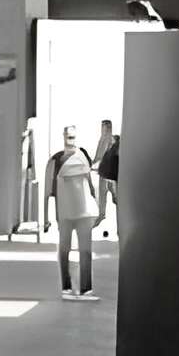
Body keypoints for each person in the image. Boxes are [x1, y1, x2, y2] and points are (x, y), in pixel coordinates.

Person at [42, 123, 100, 299]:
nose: (70, 139)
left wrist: (97, 208)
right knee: (64, 250)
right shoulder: (56, 161)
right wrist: (46, 218)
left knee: (85, 251)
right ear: (63, 136)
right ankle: (66, 286)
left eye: (72, 135)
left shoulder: (82, 157)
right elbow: (47, 191)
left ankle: (85, 288)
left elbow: (90, 186)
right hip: (65, 213)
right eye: (68, 135)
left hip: (83, 213)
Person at [95, 121, 120, 237]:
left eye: (105, 127)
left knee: (104, 198)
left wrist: (92, 163)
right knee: (116, 201)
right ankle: (119, 227)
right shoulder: (113, 140)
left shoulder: (105, 140)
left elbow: (99, 156)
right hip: (111, 176)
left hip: (106, 175)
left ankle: (101, 215)